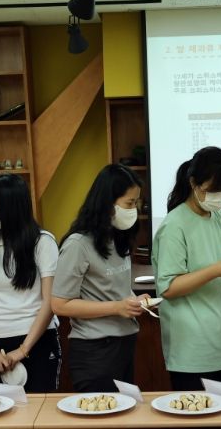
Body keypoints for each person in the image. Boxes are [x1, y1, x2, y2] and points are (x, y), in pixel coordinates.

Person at [152, 146, 221, 390]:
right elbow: (169, 287)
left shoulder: (220, 218)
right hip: (193, 350)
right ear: (193, 183)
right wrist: (217, 269)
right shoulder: (174, 226)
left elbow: (219, 265)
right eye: (214, 189)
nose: (220, 195)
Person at [52, 164, 149, 392]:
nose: (134, 209)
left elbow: (113, 289)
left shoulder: (119, 237)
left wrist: (135, 301)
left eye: (136, 203)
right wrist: (117, 307)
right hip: (94, 350)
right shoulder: (78, 244)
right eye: (129, 203)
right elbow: (60, 304)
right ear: (107, 203)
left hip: (124, 342)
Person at [0, 174, 61, 392]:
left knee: (40, 409)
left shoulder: (43, 242)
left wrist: (23, 350)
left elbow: (50, 301)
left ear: (11, 209)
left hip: (37, 339)